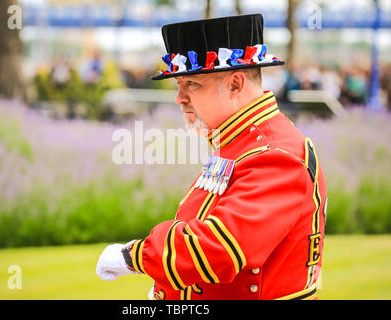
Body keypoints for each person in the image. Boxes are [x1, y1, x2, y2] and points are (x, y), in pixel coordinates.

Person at [96, 14, 327, 300]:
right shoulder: (241, 141)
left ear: (235, 84)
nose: (179, 97)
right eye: (177, 85)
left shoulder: (276, 154)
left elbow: (218, 248)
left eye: (191, 84)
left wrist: (133, 255)